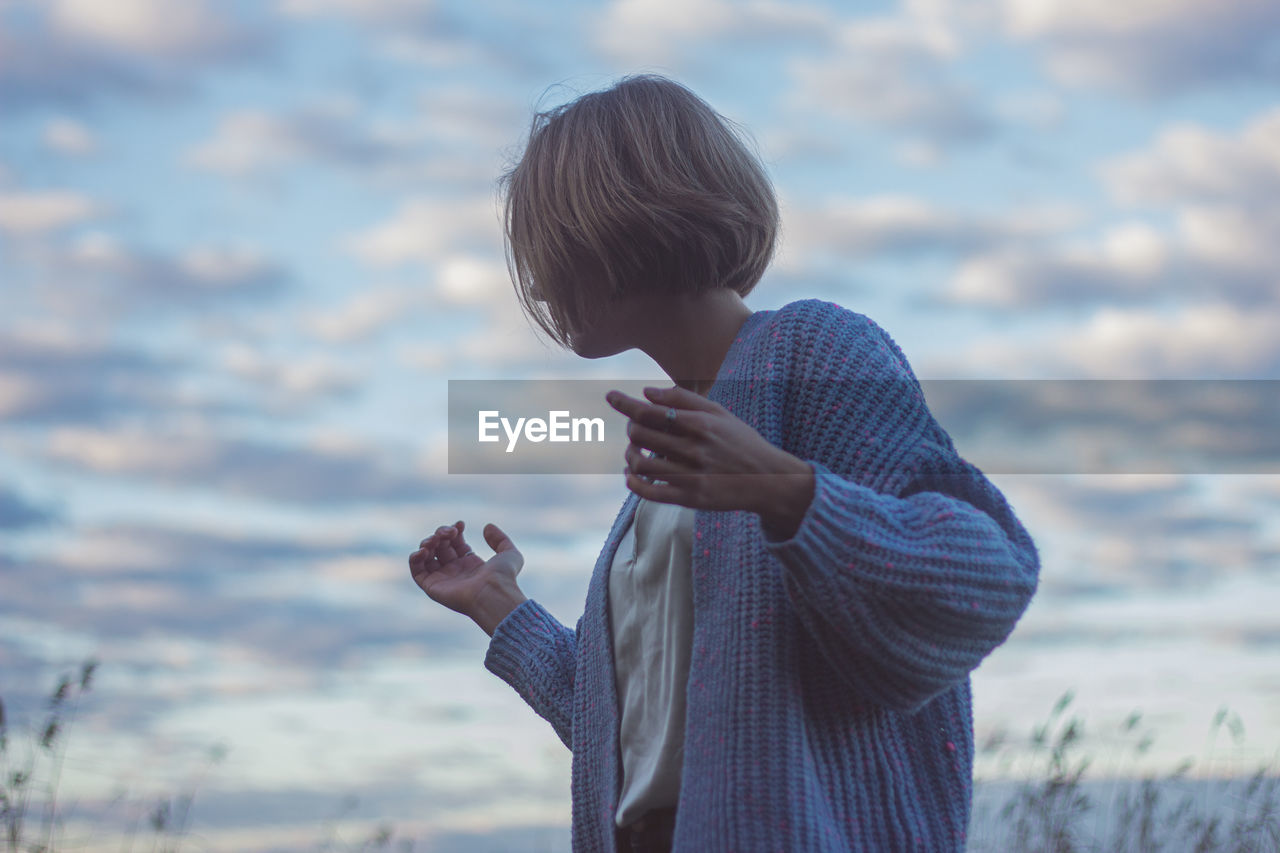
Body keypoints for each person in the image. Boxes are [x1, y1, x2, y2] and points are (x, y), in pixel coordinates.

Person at [408, 74, 1040, 852]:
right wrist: (500, 607)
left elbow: (986, 576)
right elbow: (648, 736)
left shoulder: (811, 353)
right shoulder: (678, 446)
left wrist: (788, 492)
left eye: (548, 238)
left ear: (621, 221)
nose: (536, 278)